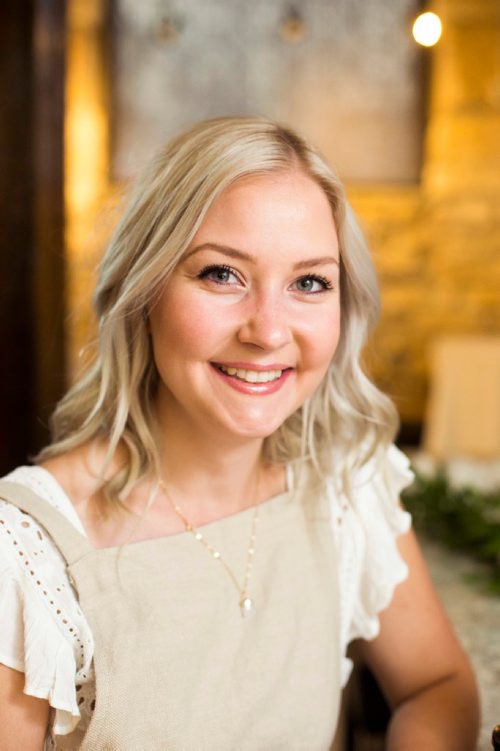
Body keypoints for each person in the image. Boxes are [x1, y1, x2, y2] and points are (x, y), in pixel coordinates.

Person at [0, 117, 479, 750]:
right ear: (143, 291)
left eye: (309, 282)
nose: (269, 331)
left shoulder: (343, 481)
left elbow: (439, 686)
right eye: (222, 274)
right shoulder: (28, 555)